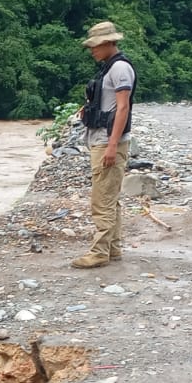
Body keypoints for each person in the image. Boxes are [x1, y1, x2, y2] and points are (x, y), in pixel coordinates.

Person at [71, 20, 136, 269]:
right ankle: (113, 248)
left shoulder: (119, 69)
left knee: (101, 201)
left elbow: (122, 107)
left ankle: (99, 252)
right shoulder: (109, 68)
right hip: (102, 140)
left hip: (108, 142)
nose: (92, 51)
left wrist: (111, 145)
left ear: (109, 43)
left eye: (95, 46)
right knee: (110, 198)